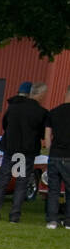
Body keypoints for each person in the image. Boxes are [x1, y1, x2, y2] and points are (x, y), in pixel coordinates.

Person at [0, 81, 47, 223]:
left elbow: (5, 124)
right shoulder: (41, 112)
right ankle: (14, 215)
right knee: (21, 182)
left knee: (3, 181)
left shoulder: (13, 107)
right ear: (39, 94)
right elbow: (42, 133)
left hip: (10, 148)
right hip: (26, 151)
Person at [45, 85, 70, 229]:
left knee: (53, 190)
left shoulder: (53, 112)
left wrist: (50, 151)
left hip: (55, 155)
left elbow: (47, 136)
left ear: (65, 93)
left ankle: (52, 220)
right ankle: (68, 221)